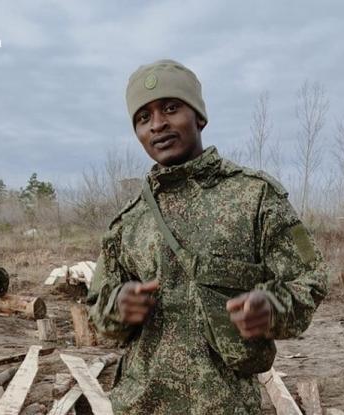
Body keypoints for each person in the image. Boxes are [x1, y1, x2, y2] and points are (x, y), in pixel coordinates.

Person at [88, 59, 328, 414]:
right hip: (139, 404)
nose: (157, 124)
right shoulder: (128, 221)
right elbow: (97, 308)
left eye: (171, 108)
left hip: (226, 405)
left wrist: (273, 307)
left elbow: (311, 277)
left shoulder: (255, 197)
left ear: (199, 116)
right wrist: (117, 307)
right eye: (143, 117)